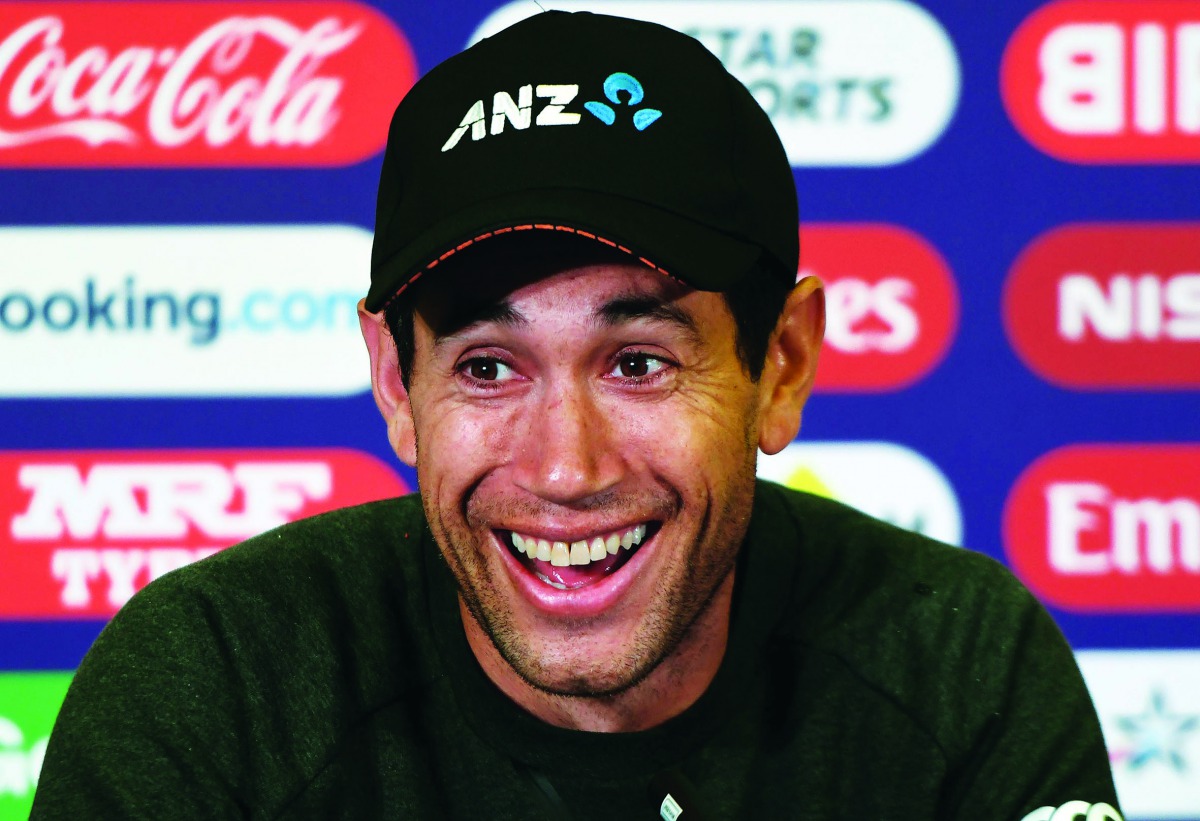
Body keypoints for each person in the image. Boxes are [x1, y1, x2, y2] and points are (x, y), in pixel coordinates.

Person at [32, 11, 1122, 820]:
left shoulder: (959, 664)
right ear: (394, 383)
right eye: (490, 368)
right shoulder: (213, 687)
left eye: (639, 362)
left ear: (781, 365)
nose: (563, 469)